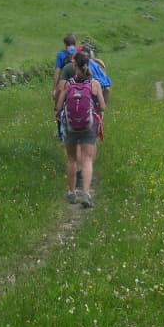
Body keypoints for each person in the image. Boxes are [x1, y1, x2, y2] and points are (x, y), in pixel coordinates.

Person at [55, 49, 106, 208]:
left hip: (71, 126)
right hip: (88, 126)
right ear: (88, 64)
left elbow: (58, 106)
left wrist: (59, 113)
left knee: (71, 159)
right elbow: (103, 106)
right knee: (87, 159)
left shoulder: (69, 84)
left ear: (74, 65)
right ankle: (86, 193)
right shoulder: (95, 84)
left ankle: (71, 193)